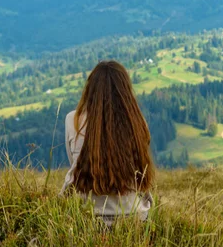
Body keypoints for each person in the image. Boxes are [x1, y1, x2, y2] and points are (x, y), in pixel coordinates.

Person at [60, 60, 154, 225]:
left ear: (90, 89)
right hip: (134, 217)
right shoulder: (138, 123)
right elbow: (142, 172)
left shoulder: (73, 120)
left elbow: (74, 167)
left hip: (89, 218)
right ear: (125, 91)